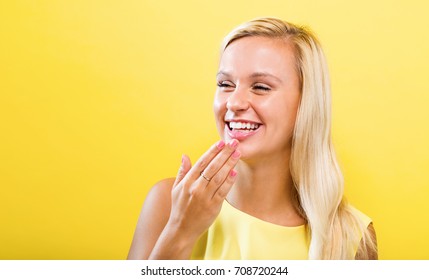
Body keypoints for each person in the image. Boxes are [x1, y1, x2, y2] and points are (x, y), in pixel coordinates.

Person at [127, 17, 378, 260]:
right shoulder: (168, 203)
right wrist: (180, 231)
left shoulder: (351, 238)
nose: (234, 103)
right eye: (225, 84)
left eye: (260, 87)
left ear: (306, 103)